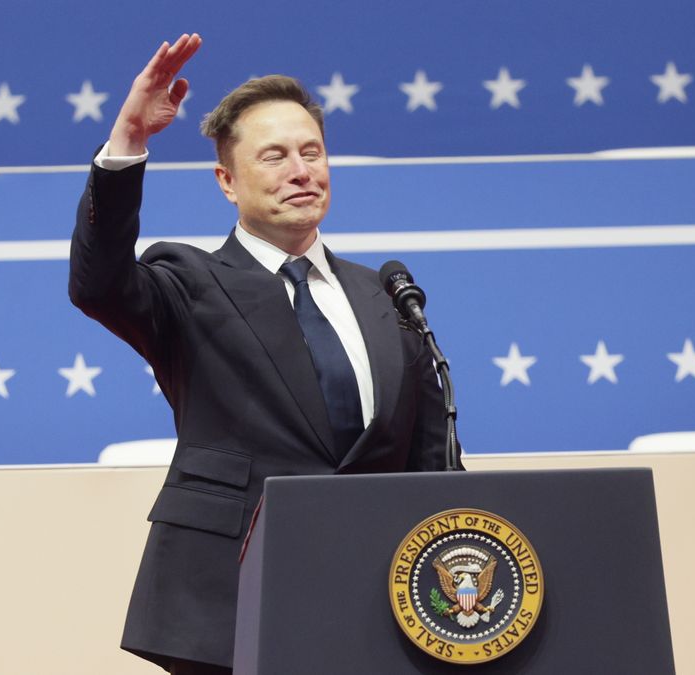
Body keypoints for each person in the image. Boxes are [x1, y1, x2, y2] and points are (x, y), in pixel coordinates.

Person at [69, 33, 450, 674]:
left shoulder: (385, 294)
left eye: (312, 152)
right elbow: (99, 282)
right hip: (229, 604)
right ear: (227, 181)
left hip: (382, 603)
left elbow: (432, 460)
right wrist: (128, 142)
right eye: (274, 156)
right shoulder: (188, 281)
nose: (301, 171)